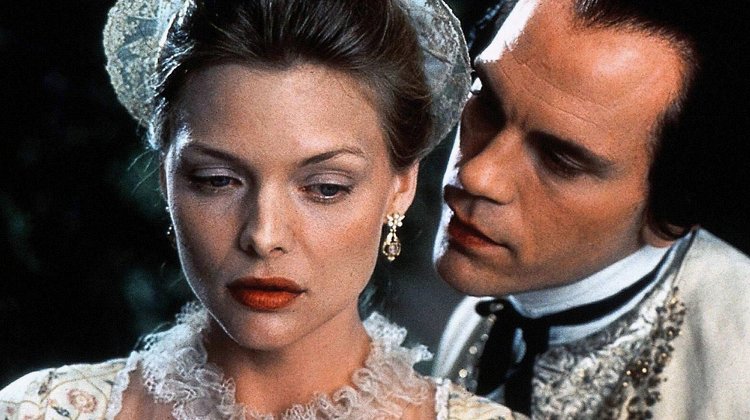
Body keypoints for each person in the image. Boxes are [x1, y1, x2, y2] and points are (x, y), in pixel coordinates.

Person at [0, 0, 525, 418]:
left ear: (401, 186)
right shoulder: (37, 411)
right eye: (217, 180)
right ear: (167, 180)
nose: (264, 235)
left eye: (325, 188)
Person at [433, 0, 750, 418]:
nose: (478, 175)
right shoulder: (490, 309)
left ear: (672, 212)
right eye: (488, 104)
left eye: (559, 160)